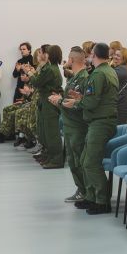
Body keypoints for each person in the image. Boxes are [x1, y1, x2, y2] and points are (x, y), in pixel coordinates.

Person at [71, 43, 119, 215]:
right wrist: (83, 97)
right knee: (85, 160)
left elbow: (92, 102)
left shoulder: (99, 73)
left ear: (94, 55)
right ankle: (91, 196)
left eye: (91, 54)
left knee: (91, 162)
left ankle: (101, 201)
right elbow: (97, 97)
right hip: (100, 121)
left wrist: (77, 102)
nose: (89, 57)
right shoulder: (109, 71)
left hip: (101, 122)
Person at [53, 47, 90, 203]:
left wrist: (60, 101)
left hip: (77, 125)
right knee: (73, 161)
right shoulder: (75, 77)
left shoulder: (83, 78)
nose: (66, 61)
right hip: (70, 124)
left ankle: (86, 192)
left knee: (79, 161)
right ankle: (81, 190)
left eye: (68, 58)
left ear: (72, 60)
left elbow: (79, 103)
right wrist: (60, 100)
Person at [35, 45, 65, 167]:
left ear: (49, 55)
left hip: (50, 102)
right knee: (45, 131)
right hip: (46, 100)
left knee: (52, 133)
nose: (43, 55)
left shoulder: (51, 69)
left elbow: (37, 82)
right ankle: (50, 156)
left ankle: (56, 159)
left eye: (46, 53)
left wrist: (30, 74)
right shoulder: (51, 68)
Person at [112, 46, 127, 124]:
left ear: (124, 59)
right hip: (122, 100)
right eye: (115, 54)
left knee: (119, 126)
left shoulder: (122, 69)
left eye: (118, 56)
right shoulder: (120, 68)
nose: (115, 57)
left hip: (122, 102)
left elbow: (106, 75)